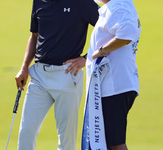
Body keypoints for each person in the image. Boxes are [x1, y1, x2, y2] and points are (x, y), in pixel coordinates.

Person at [14, 0, 100, 149]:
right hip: (39, 76)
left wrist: (86, 59)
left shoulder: (82, 2)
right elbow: (34, 35)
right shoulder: (39, 1)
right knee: (26, 131)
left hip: (67, 75)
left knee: (66, 139)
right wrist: (24, 68)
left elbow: (108, 29)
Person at [82, 0, 141, 150]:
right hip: (114, 84)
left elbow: (128, 32)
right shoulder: (118, 5)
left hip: (114, 85)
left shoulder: (118, 5)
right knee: (108, 142)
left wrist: (102, 51)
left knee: (114, 143)